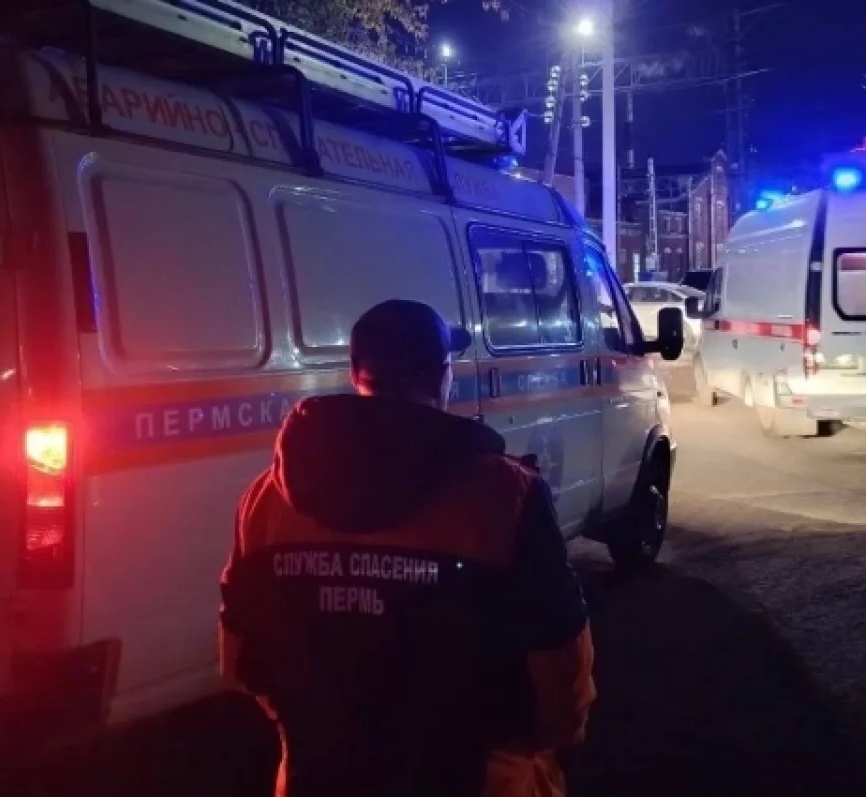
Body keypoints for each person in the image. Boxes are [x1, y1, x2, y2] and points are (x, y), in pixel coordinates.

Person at [219, 299, 596, 797]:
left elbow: (239, 658)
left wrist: (320, 726)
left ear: (356, 374)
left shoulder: (266, 500)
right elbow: (561, 670)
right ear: (443, 377)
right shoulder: (505, 497)